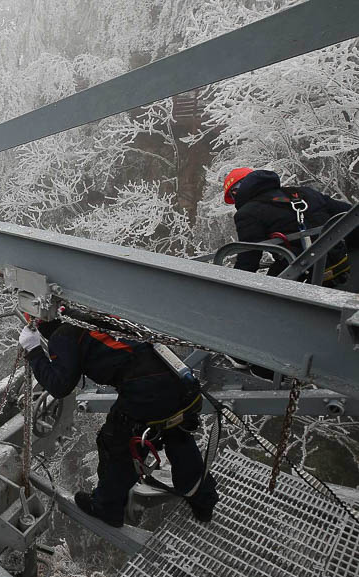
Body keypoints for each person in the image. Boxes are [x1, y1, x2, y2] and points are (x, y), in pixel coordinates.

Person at [18, 321, 217, 528]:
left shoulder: (64, 334)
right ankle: (203, 501)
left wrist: (33, 351)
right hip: (177, 380)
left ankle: (107, 506)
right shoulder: (93, 316)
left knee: (116, 443)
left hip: (146, 390)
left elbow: (59, 386)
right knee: (176, 433)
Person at [223, 167, 352, 286]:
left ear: (237, 192)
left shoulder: (247, 213)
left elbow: (249, 259)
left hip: (303, 278)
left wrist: (232, 287)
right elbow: (349, 215)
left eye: (233, 196)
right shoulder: (303, 193)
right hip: (343, 264)